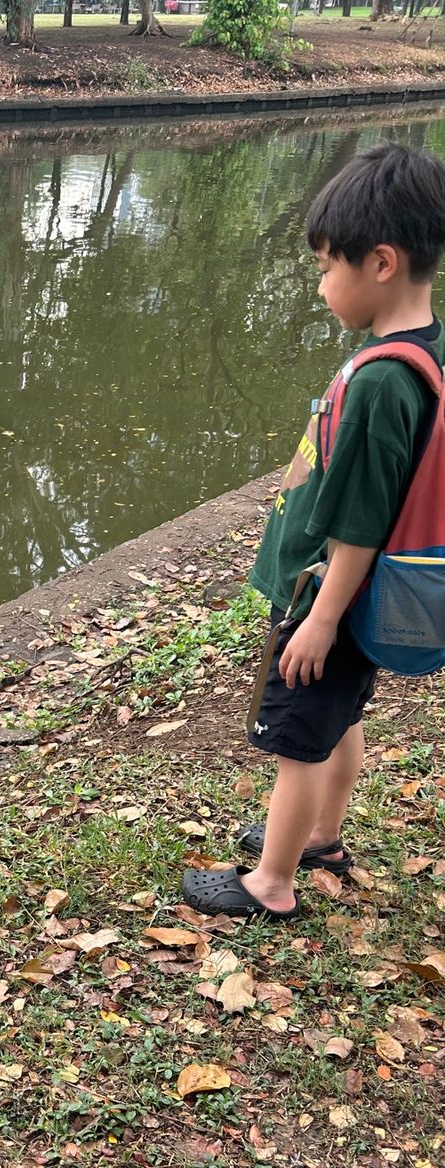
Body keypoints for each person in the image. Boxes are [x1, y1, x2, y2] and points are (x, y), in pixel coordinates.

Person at [183, 142, 445, 921]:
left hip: (325, 598)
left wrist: (319, 623)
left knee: (296, 738)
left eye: (329, 266)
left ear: (383, 262)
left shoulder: (382, 384)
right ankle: (322, 837)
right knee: (339, 719)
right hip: (355, 605)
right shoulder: (422, 350)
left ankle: (271, 881)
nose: (322, 282)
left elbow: (362, 523)